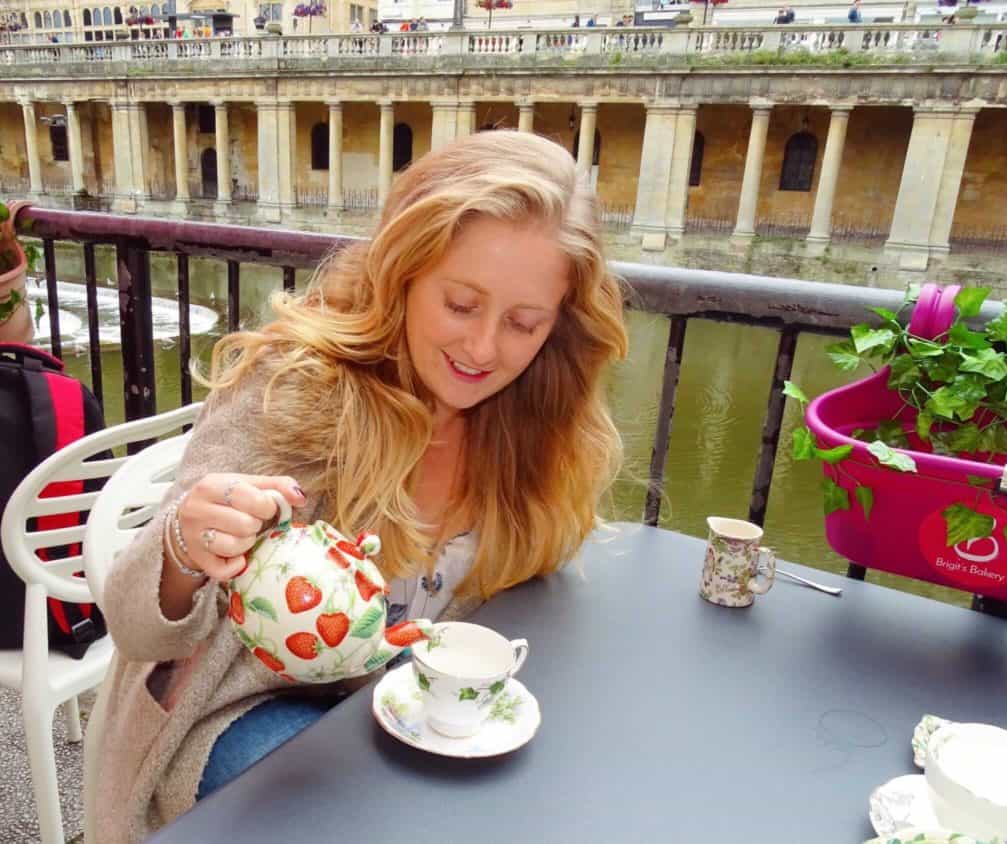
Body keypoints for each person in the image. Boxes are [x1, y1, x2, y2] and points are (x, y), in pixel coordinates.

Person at [87, 129, 629, 843]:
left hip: (402, 710)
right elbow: (133, 625)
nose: (483, 348)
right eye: (461, 305)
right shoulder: (292, 391)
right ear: (402, 273)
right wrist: (186, 548)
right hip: (231, 715)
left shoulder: (537, 427)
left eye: (523, 323)